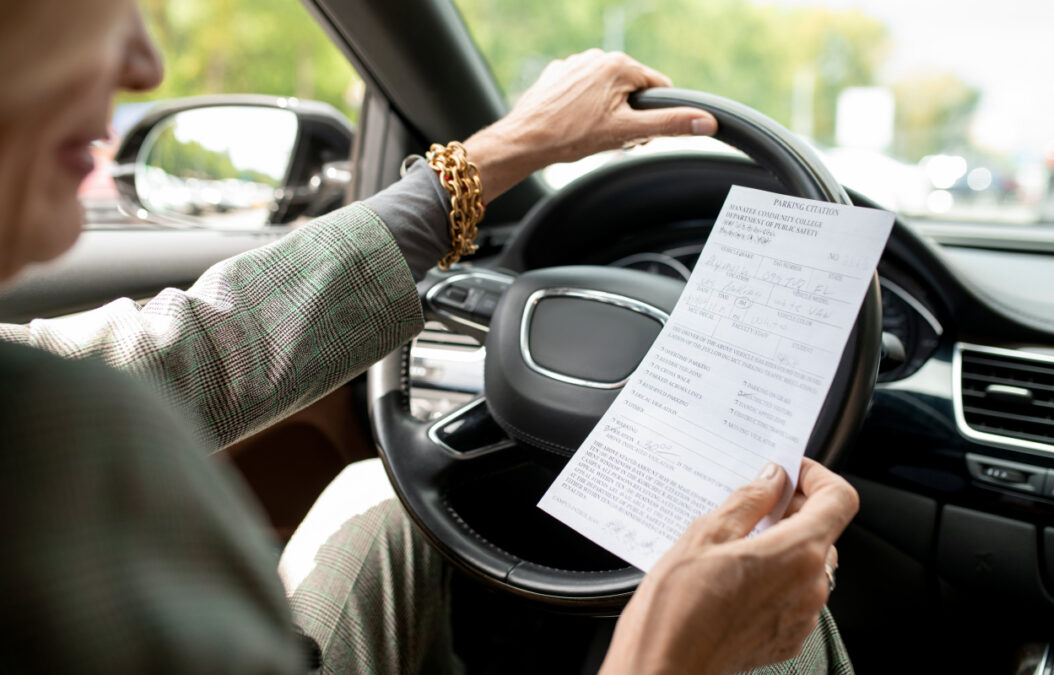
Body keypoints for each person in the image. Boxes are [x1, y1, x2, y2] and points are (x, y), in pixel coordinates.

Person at [0, 0, 859, 672]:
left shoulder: (44, 417)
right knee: (766, 620)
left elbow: (188, 353)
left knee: (377, 501)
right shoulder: (62, 432)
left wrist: (495, 157)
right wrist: (671, 653)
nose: (148, 66)